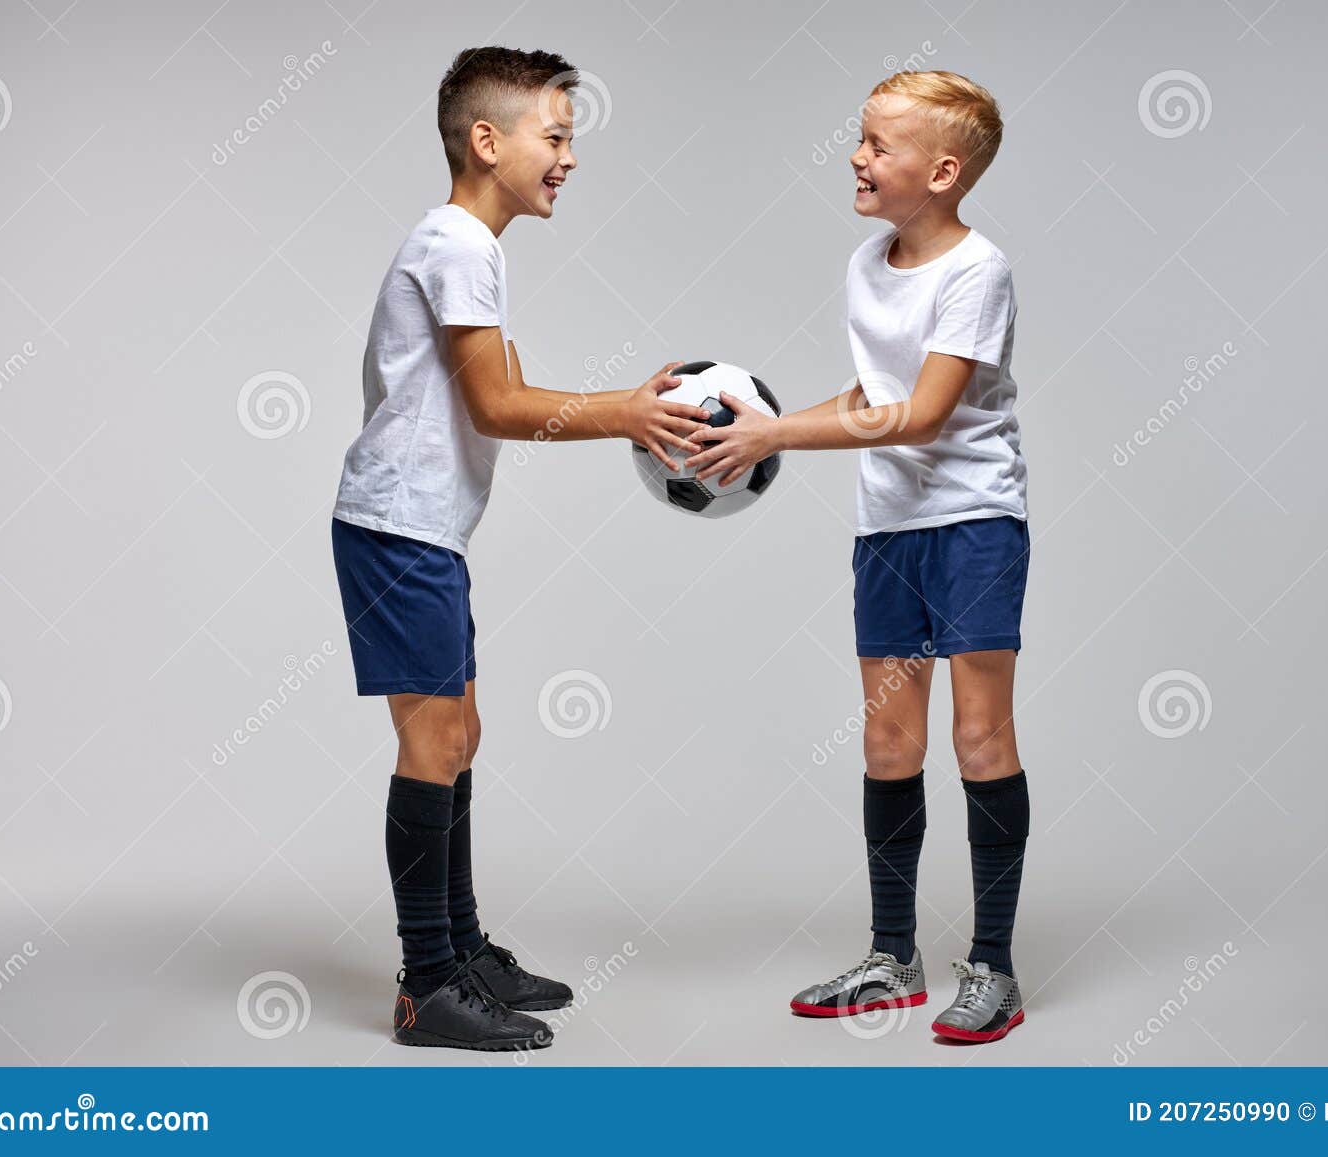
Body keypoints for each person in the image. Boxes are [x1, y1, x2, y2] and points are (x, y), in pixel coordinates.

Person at [329, 45, 709, 1051]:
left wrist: (614, 410)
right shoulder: (458, 242)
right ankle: (426, 984)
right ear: (487, 140)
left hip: (419, 529)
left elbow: (503, 390)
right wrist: (628, 411)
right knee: (435, 741)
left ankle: (459, 950)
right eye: (556, 135)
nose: (568, 157)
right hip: (395, 527)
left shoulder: (468, 248)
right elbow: (498, 406)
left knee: (462, 733)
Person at [686, 70, 1030, 1043]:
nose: (857, 156)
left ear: (943, 170)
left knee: (978, 740)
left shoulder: (978, 271)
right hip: (886, 530)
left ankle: (994, 967)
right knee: (888, 744)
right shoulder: (863, 263)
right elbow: (869, 392)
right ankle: (894, 956)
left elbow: (922, 416)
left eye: (879, 144)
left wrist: (774, 439)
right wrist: (770, 423)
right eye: (860, 137)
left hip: (973, 525)